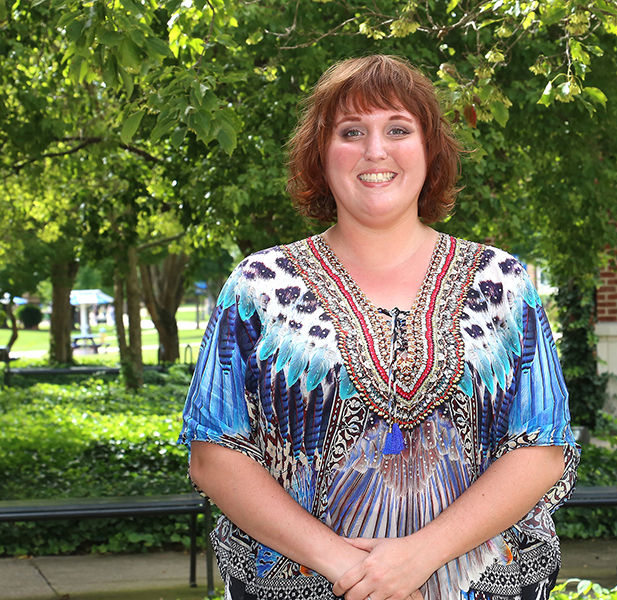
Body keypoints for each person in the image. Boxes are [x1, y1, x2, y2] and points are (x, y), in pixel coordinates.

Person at [179, 55, 579, 600]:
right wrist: (352, 570)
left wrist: (419, 557)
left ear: (429, 149)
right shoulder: (258, 287)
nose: (375, 150)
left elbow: (541, 448)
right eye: (351, 131)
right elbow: (215, 455)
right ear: (320, 155)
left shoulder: (503, 284)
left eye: (398, 129)